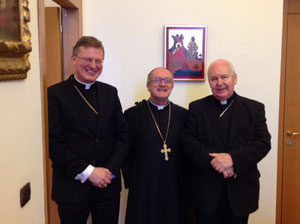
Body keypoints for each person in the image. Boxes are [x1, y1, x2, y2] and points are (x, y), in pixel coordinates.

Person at [48, 36, 128, 224]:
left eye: (98, 61)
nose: (93, 65)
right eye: (87, 59)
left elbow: (123, 137)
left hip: (107, 186)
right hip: (71, 187)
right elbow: (54, 143)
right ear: (74, 59)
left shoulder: (110, 92)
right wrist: (89, 172)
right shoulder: (54, 94)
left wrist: (109, 171)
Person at [182, 59, 271, 224]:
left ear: (235, 79)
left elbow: (263, 142)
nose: (220, 83)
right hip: (206, 189)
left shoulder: (254, 109)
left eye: (225, 77)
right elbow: (188, 142)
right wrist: (217, 162)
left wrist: (233, 160)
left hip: (240, 188)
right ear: (209, 82)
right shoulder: (197, 108)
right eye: (214, 79)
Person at [122, 67, 188, 224]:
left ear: (172, 86)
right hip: (144, 187)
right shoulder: (132, 115)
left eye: (167, 81)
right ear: (148, 86)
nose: (162, 84)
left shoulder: (183, 115)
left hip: (175, 186)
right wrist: (133, 181)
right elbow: (125, 151)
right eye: (157, 80)